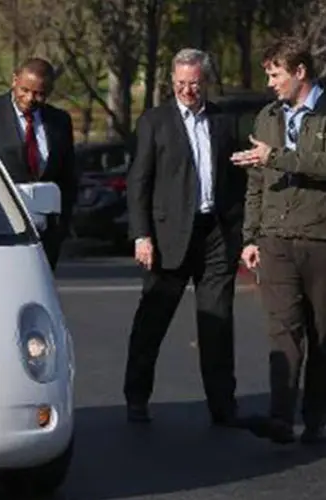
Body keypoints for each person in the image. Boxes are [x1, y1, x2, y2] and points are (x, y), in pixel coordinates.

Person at [123, 48, 248, 426]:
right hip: (167, 237)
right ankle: (137, 397)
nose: (187, 90)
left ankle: (222, 404)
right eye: (180, 83)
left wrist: (242, 231)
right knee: (152, 321)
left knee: (217, 321)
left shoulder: (224, 122)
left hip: (215, 234)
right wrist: (141, 235)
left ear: (205, 81)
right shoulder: (154, 122)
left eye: (194, 83)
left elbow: (238, 178)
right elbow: (138, 182)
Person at [231, 37, 326, 445]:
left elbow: (321, 164)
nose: (270, 83)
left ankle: (316, 419)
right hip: (276, 240)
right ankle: (280, 418)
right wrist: (251, 236)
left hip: (320, 239)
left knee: (322, 334)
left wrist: (275, 157)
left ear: (300, 72)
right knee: (282, 331)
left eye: (276, 74)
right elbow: (256, 183)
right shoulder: (267, 117)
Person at [0, 57, 77, 270]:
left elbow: (68, 176)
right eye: (25, 90)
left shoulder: (60, 121)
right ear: (14, 80)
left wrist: (62, 225)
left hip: (44, 234)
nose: (30, 98)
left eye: (39, 94)